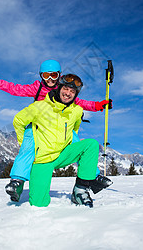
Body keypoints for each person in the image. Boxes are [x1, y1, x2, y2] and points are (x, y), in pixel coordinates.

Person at [0, 60, 112, 201]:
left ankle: (93, 175)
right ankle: (17, 180)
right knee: (28, 146)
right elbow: (15, 89)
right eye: (46, 76)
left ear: (59, 76)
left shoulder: (63, 89)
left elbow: (79, 102)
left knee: (75, 140)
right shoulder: (37, 88)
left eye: (54, 75)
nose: (50, 80)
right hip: (38, 126)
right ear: (41, 76)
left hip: (60, 126)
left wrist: (97, 105)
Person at [13, 74, 108, 207]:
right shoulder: (39, 107)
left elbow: (74, 130)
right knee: (38, 204)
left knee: (90, 145)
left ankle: (80, 191)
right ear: (59, 88)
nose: (68, 93)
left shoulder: (76, 111)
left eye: (72, 91)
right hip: (42, 160)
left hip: (62, 155)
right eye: (66, 89)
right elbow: (18, 121)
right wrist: (27, 145)